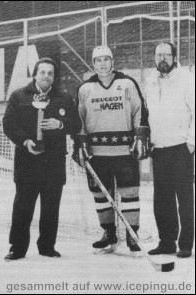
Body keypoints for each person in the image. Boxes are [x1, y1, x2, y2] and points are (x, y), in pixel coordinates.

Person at [3, 57, 81, 260]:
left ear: (54, 77)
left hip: (53, 163)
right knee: (22, 207)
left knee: (51, 206)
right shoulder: (19, 96)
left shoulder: (63, 97)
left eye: (50, 73)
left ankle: (47, 246)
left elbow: (75, 124)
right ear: (35, 74)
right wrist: (25, 141)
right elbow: (9, 124)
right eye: (42, 72)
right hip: (27, 162)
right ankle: (17, 248)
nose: (46, 76)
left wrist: (60, 124)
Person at [73, 46, 149, 253]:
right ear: (93, 63)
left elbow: (139, 111)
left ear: (112, 61)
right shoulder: (85, 88)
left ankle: (132, 234)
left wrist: (140, 136)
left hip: (125, 151)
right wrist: (80, 144)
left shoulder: (127, 83)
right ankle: (109, 232)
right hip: (97, 154)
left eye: (106, 59)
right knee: (100, 195)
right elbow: (78, 119)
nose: (103, 63)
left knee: (130, 193)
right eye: (98, 60)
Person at [144, 42, 195, 258]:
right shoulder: (150, 81)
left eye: (166, 54)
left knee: (184, 197)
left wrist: (191, 142)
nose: (162, 58)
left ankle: (185, 244)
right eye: (158, 55)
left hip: (181, 147)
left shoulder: (187, 78)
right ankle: (166, 241)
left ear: (175, 57)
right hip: (159, 148)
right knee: (162, 198)